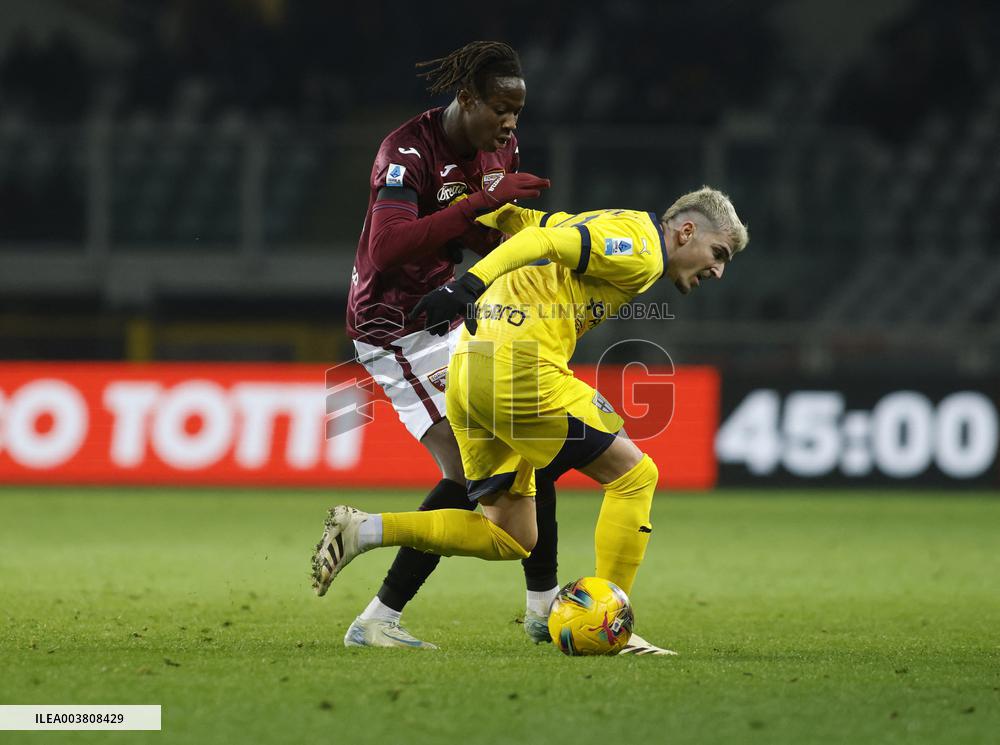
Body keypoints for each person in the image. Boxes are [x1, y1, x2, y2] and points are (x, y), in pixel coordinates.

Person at [316, 186, 749, 653]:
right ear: (687, 232)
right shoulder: (641, 249)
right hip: (520, 368)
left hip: (470, 368)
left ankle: (365, 530)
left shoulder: (613, 222)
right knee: (635, 476)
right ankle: (611, 626)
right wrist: (468, 284)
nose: (719, 270)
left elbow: (528, 224)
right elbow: (539, 244)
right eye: (718, 253)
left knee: (512, 536)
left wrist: (471, 205)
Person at [339, 40, 561, 650]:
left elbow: (484, 237)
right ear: (466, 99)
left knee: (526, 440)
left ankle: (543, 609)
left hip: (451, 310)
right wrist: (484, 202)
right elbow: (387, 248)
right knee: (469, 470)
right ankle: (377, 619)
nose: (510, 124)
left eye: (517, 113)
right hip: (395, 326)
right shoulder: (406, 151)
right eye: (500, 109)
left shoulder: (498, 148)